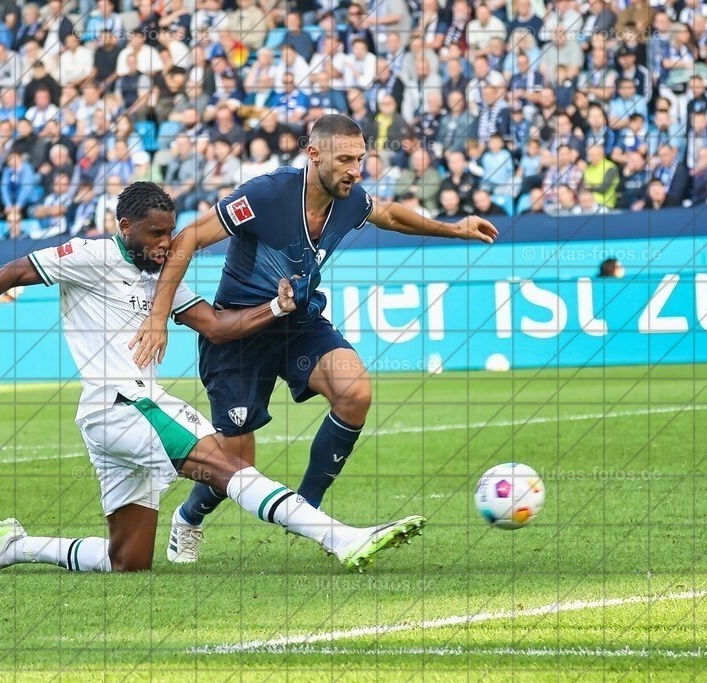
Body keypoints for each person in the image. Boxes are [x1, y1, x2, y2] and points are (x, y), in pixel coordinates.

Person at [0, 182, 426, 573]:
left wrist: (276, 306)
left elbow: (218, 326)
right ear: (124, 226)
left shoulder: (164, 278)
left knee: (128, 560)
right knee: (227, 464)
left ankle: (21, 546)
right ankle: (340, 538)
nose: (167, 243)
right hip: (123, 403)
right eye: (156, 234)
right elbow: (10, 272)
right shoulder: (89, 257)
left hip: (113, 420)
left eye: (171, 233)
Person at [128, 115, 496, 563]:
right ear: (314, 154)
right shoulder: (265, 195)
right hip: (241, 331)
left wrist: (454, 228)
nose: (355, 169)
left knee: (354, 391)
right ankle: (188, 516)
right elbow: (188, 239)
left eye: (360, 159)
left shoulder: (350, 198)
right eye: (345, 159)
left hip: (299, 324)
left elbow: (387, 214)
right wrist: (159, 317)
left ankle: (309, 510)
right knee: (237, 465)